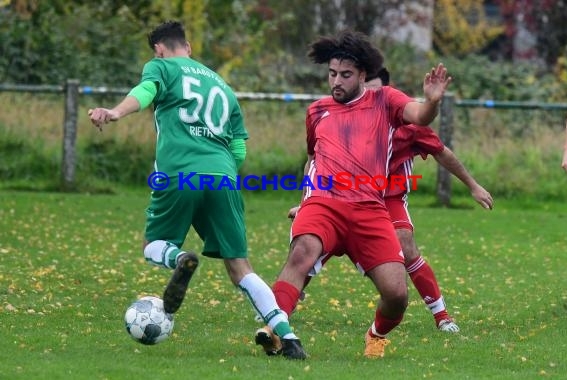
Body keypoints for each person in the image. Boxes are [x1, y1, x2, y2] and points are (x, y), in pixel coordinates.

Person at [88, 20, 306, 360]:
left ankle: (180, 259)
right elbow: (239, 150)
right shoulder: (221, 84)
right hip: (223, 178)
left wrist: (115, 112)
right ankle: (289, 338)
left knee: (153, 246)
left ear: (160, 49)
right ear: (188, 47)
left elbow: (144, 93)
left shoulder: (160, 67)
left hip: (179, 174)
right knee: (240, 267)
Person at [255, 29, 452, 359]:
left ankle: (375, 334)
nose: (336, 82)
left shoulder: (384, 100)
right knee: (301, 253)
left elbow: (420, 116)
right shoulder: (316, 111)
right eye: (332, 74)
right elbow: (313, 158)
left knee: (397, 295)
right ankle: (277, 329)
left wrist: (431, 101)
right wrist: (305, 199)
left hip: (369, 209)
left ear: (363, 74)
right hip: (325, 202)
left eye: (345, 75)